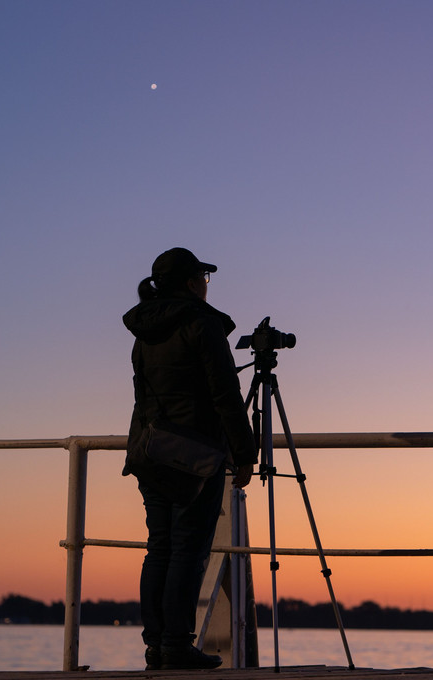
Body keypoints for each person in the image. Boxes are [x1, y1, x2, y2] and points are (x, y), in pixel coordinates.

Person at [122, 247, 256, 670]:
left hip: (150, 449)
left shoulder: (146, 330)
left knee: (159, 547)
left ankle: (157, 646)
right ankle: (177, 645)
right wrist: (245, 452)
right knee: (188, 550)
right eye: (204, 277)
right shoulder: (202, 323)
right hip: (194, 454)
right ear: (189, 282)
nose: (206, 284)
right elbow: (224, 394)